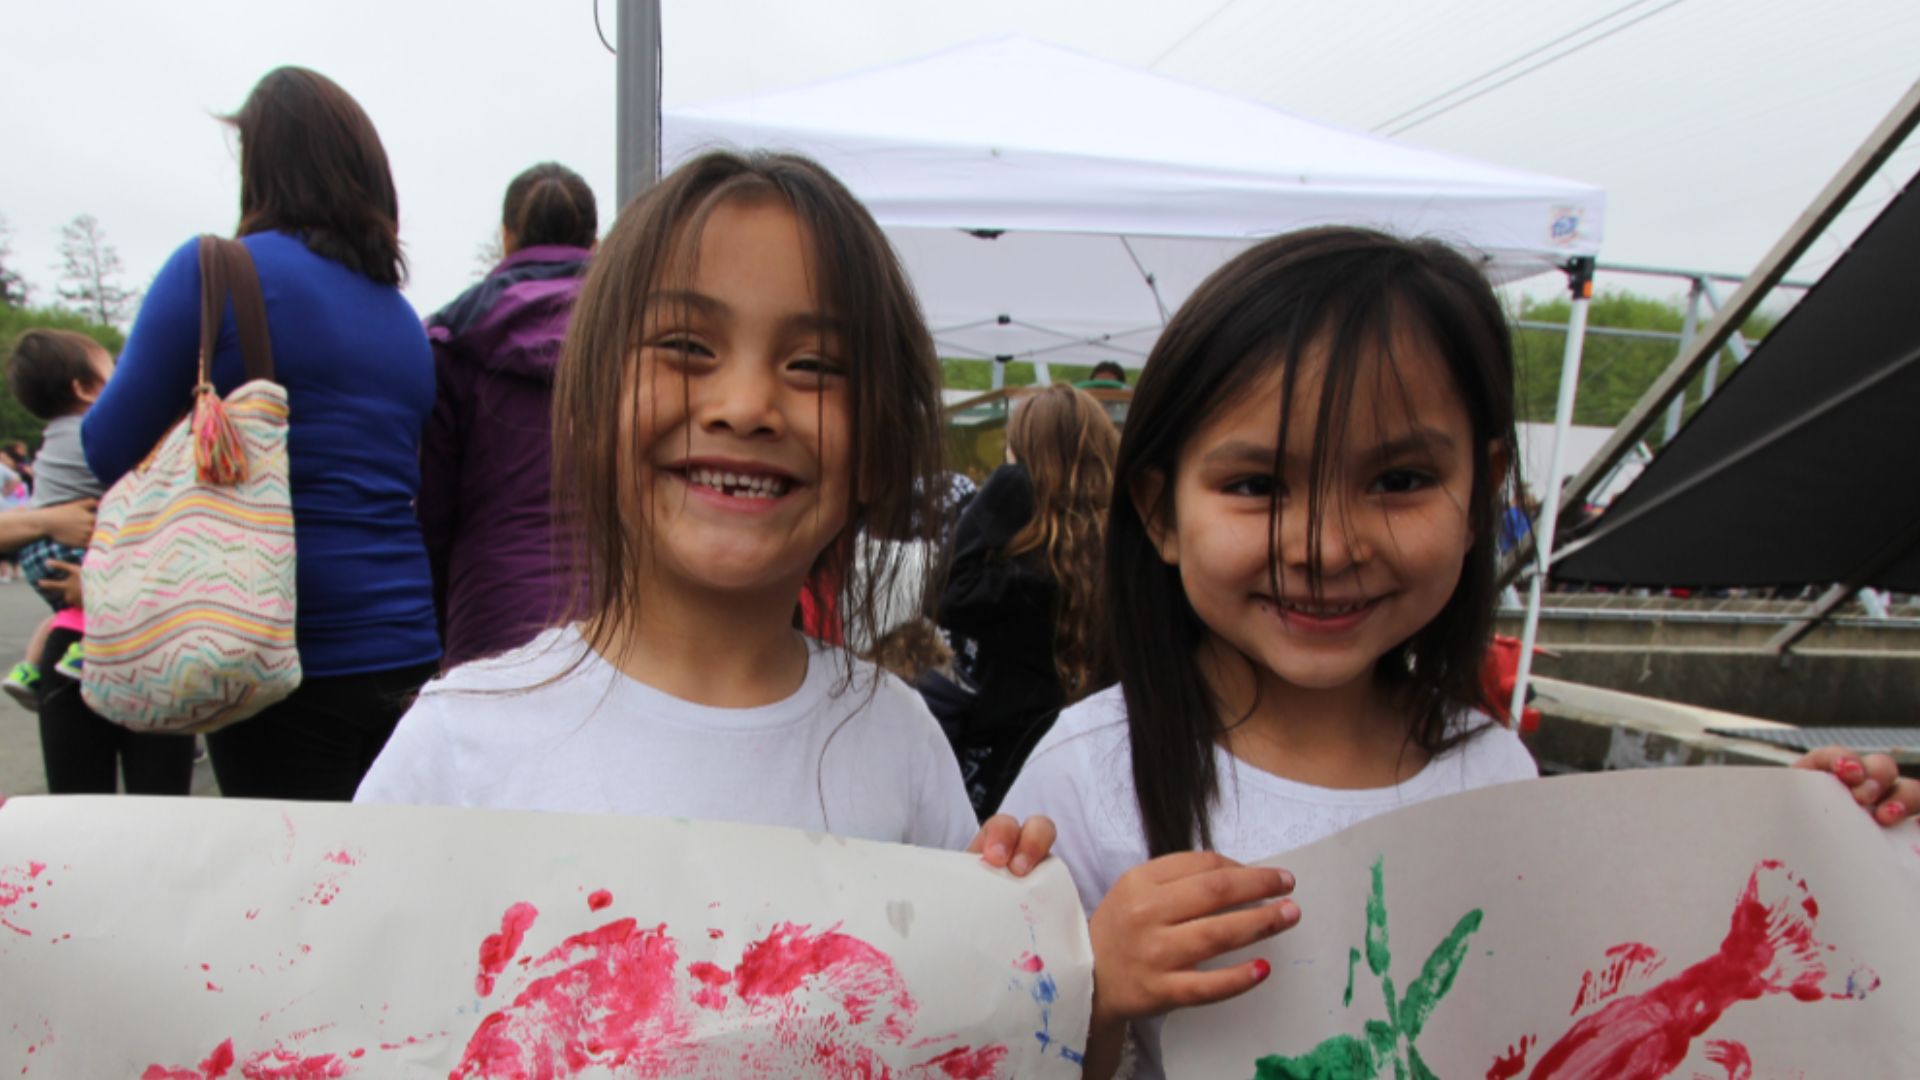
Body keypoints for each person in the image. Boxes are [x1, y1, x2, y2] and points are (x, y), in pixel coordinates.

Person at [996, 227, 1920, 1080]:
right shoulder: (1087, 775)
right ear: (1159, 511)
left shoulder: (1492, 765)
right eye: (1257, 484)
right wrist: (1098, 985)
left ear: (1479, 497)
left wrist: (1800, 833)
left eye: (1399, 480)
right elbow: (995, 1052)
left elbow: (1570, 992)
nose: (1326, 544)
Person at [357, 150, 1053, 872]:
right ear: (593, 408)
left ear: (876, 449)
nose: (746, 407)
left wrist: (1030, 936)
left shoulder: (899, 745)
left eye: (813, 365)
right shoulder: (457, 748)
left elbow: (959, 979)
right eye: (686, 346)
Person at [83, 67, 440, 801]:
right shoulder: (401, 321)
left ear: (261, 165)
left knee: (295, 890)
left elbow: (107, 446)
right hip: (405, 641)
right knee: (385, 879)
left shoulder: (217, 271)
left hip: (269, 642)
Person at [419, 162, 596, 668]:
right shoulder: (640, 338)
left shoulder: (452, 340)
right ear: (597, 242)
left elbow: (432, 513)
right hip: (618, 622)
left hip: (490, 617)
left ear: (506, 237)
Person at [935, 383, 1118, 817]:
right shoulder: (1124, 558)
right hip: (1096, 774)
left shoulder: (1023, 576)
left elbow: (945, 592)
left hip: (1012, 779)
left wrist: (1008, 482)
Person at [3, 329, 113, 705]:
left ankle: (30, 668)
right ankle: (89, 655)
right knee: (103, 605)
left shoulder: (52, 435)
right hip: (73, 546)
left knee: (61, 615)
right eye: (111, 372)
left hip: (37, 551)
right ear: (84, 388)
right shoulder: (94, 432)